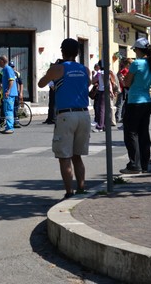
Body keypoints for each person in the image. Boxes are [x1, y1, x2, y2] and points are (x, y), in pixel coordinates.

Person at [38, 38, 90, 199]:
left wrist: (53, 70)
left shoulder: (58, 68)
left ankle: (69, 192)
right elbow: (86, 85)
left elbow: (41, 84)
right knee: (77, 156)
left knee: (64, 156)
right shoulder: (85, 69)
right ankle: (81, 188)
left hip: (66, 115)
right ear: (77, 52)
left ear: (62, 51)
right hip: (84, 114)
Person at [120, 37, 151, 174]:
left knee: (130, 133)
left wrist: (122, 79)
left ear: (139, 50)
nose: (134, 51)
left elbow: (127, 84)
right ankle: (144, 164)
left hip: (135, 101)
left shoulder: (137, 64)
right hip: (147, 100)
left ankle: (134, 164)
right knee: (143, 133)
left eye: (135, 49)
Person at [0, 55, 17, 134]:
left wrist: (8, 91)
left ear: (2, 61)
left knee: (9, 110)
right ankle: (8, 127)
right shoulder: (4, 69)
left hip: (9, 93)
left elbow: (11, 80)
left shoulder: (8, 69)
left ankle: (10, 127)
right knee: (7, 110)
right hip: (7, 93)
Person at [10, 62, 23, 129]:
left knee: (15, 107)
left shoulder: (17, 73)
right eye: (11, 67)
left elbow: (21, 83)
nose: (12, 68)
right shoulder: (6, 73)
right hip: (9, 93)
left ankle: (16, 122)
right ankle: (10, 122)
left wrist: (21, 93)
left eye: (13, 67)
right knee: (10, 108)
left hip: (16, 93)